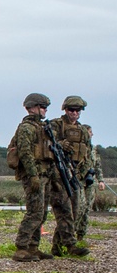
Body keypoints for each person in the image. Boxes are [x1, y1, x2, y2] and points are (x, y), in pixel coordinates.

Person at [7, 93, 74, 261]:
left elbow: (48, 154)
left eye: (45, 108)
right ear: (32, 107)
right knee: (34, 212)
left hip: (45, 175)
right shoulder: (27, 128)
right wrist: (33, 175)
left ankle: (33, 247)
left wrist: (53, 179)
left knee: (42, 213)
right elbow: (25, 153)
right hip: (34, 176)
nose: (45, 110)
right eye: (42, 107)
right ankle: (21, 247)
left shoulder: (43, 128)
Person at [48, 97, 93, 255]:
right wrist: (59, 144)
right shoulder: (56, 125)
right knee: (64, 210)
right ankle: (70, 246)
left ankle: (57, 246)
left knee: (75, 211)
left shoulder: (82, 131)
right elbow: (47, 143)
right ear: (65, 110)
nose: (74, 113)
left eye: (77, 111)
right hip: (58, 174)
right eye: (71, 110)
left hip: (75, 174)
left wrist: (81, 173)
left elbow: (88, 154)